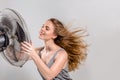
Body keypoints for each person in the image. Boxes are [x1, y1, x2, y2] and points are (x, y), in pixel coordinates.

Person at [20, 18, 87, 80]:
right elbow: (18, 57)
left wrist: (34, 55)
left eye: (47, 28)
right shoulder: (39, 52)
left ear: (54, 35)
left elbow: (49, 76)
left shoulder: (61, 54)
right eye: (42, 26)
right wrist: (12, 40)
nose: (42, 29)